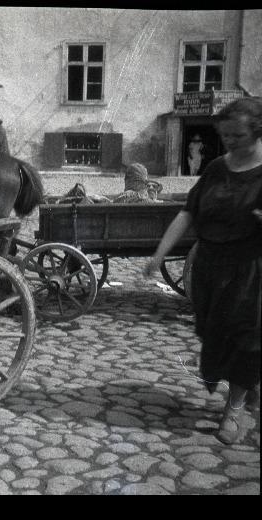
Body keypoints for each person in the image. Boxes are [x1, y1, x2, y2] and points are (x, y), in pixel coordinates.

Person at [144, 96, 262, 445]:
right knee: (212, 341)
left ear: (256, 132)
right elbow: (187, 213)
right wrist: (159, 254)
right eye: (225, 135)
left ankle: (235, 411)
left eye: (237, 135)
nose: (230, 142)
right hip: (210, 268)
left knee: (248, 341)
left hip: (252, 270)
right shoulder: (215, 169)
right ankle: (239, 386)